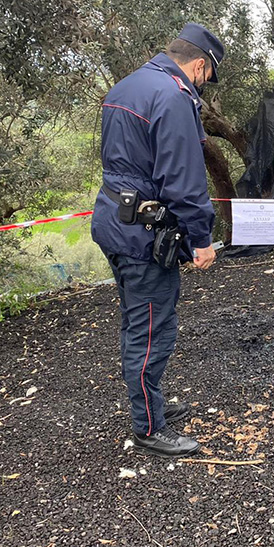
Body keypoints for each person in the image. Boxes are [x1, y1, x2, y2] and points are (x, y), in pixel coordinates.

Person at [91, 23, 225, 457]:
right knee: (152, 330)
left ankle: (153, 404)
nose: (202, 85)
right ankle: (149, 426)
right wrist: (202, 238)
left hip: (114, 219)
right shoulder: (172, 96)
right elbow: (183, 180)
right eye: (207, 77)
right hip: (142, 234)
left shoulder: (127, 86)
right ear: (200, 65)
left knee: (137, 321)